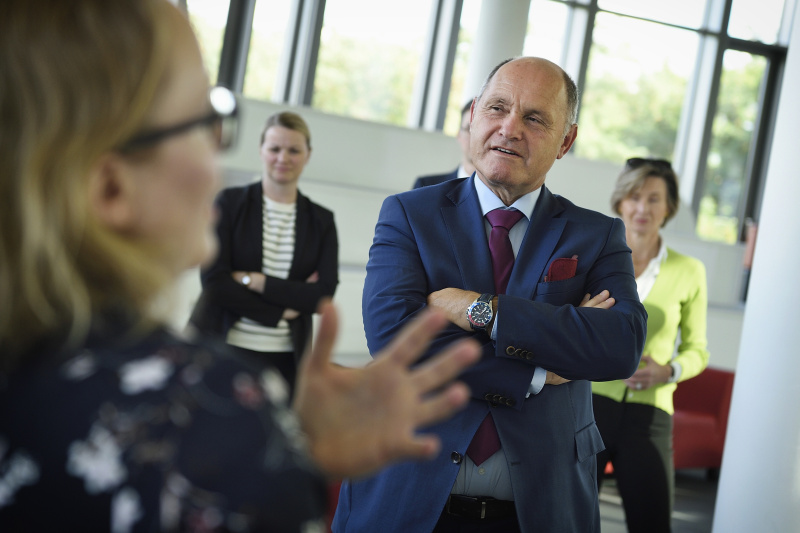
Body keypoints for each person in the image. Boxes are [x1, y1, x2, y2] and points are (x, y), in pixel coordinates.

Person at [0, 1, 482, 531]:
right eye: (204, 123)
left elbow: (317, 293)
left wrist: (291, 451)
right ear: (112, 187)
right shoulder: (200, 414)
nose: (216, 162)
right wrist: (281, 465)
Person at [333, 57, 648, 533]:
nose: (509, 128)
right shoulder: (409, 214)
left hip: (541, 509)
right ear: (476, 114)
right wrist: (540, 371)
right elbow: (395, 339)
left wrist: (480, 309)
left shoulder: (596, 235)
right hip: (406, 500)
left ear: (566, 141)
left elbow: (620, 346)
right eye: (498, 108)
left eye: (534, 118)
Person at [592, 158, 710, 533]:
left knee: (653, 522)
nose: (643, 208)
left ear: (669, 208)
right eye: (635, 196)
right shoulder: (595, 257)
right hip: (588, 406)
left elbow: (698, 349)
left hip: (650, 415)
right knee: (565, 517)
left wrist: (668, 371)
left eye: (654, 199)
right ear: (621, 202)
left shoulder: (689, 271)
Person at [190, 110, 338, 398]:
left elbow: (322, 294)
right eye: (275, 149)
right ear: (261, 151)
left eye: (294, 150)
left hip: (286, 358)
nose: (283, 158)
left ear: (308, 155)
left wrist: (256, 281)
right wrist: (281, 310)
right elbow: (215, 282)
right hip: (224, 347)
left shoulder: (321, 220)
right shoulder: (230, 203)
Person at [413, 100, 476, 188]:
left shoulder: (501, 195)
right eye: (469, 129)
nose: (476, 138)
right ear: (459, 135)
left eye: (481, 130)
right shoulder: (426, 186)